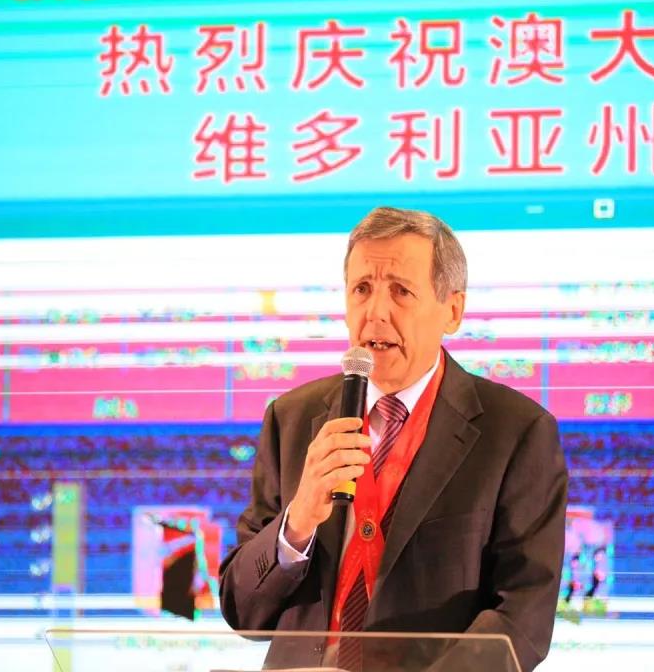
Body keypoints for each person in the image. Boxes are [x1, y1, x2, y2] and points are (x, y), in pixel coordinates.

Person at [218, 207, 568, 671]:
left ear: (453, 311)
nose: (375, 312)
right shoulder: (293, 418)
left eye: (401, 291)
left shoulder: (517, 432)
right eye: (362, 289)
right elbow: (243, 612)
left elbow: (523, 619)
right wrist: (296, 523)